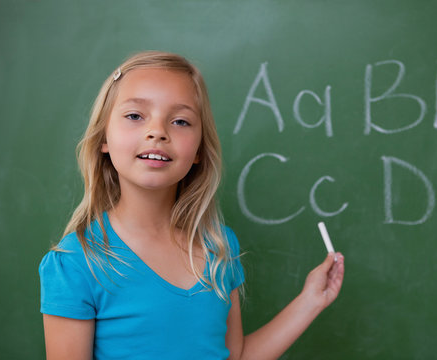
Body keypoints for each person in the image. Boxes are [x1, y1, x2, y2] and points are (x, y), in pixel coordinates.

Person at [39, 51, 345, 359]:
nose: (157, 131)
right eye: (135, 116)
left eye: (181, 121)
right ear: (104, 138)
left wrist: (310, 301)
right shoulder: (77, 263)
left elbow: (235, 356)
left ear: (198, 150)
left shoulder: (218, 247)